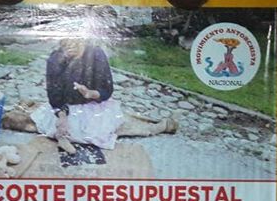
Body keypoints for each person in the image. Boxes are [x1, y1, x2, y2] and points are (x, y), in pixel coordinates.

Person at [30, 38, 177, 154]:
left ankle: (157, 127)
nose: (71, 47)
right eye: (67, 43)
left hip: (94, 105)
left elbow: (107, 89)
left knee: (105, 130)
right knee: (62, 129)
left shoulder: (96, 54)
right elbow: (54, 93)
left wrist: (90, 93)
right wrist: (61, 116)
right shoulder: (55, 58)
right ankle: (62, 134)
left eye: (76, 43)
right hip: (67, 107)